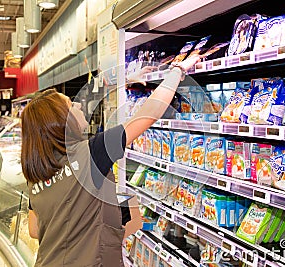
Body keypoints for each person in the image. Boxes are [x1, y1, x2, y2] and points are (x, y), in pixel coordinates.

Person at [20, 55, 200, 267]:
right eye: (71, 105)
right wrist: (178, 70)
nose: (78, 106)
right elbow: (148, 113)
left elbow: (34, 229)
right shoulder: (92, 153)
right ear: (62, 122)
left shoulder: (37, 172)